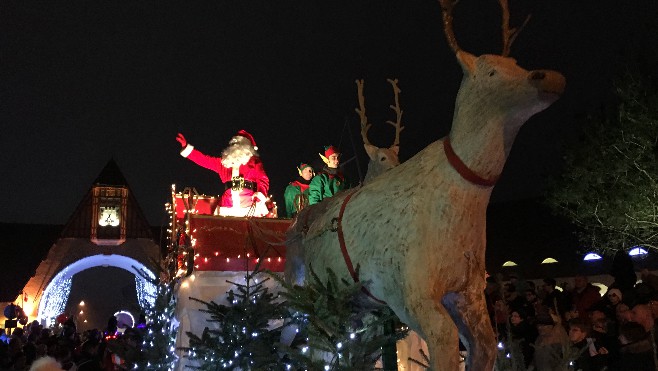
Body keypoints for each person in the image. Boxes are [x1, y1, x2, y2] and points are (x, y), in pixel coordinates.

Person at [176, 131, 270, 217]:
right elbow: (204, 160)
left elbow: (263, 180)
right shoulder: (224, 163)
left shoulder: (254, 162)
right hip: (228, 205)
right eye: (234, 143)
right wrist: (186, 148)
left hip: (249, 204)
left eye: (239, 144)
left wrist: (261, 194)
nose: (236, 146)